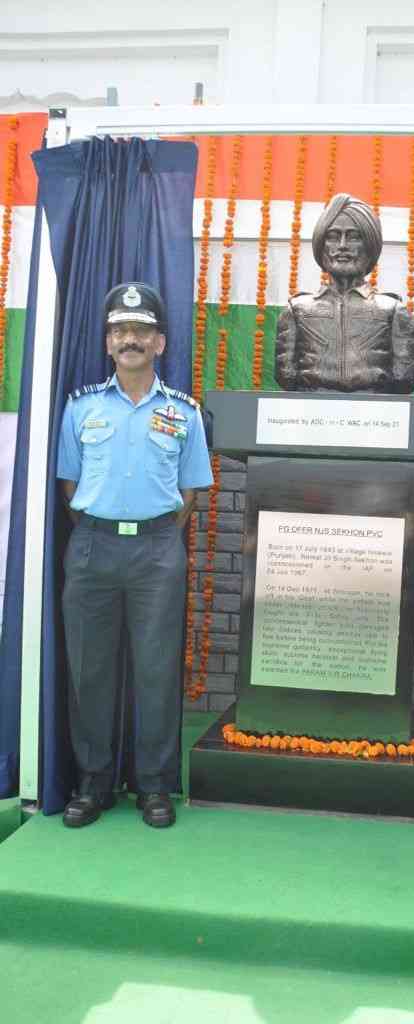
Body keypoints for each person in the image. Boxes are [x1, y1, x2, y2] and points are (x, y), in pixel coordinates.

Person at [57, 282, 213, 829]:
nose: (131, 339)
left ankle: (154, 786)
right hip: (93, 548)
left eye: (141, 331)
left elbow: (191, 494)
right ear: (107, 343)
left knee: (155, 671)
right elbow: (70, 487)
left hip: (157, 552)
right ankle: (92, 785)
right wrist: (108, 529)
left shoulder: (184, 413)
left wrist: (151, 534)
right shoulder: (80, 409)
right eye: (121, 331)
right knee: (90, 671)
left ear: (161, 343)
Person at [275, 192, 414, 393]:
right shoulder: (297, 310)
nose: (342, 246)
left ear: (370, 246)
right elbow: (286, 377)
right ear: (321, 246)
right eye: (333, 237)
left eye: (354, 237)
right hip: (308, 416)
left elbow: (405, 379)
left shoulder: (393, 311)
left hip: (376, 417)